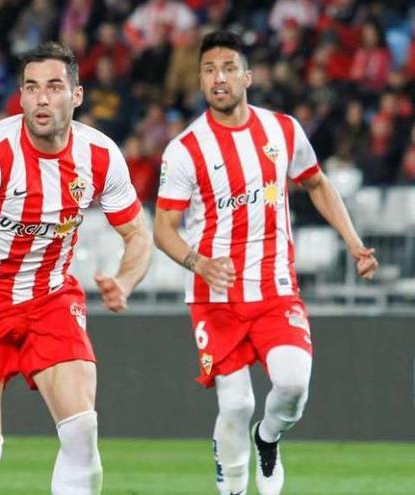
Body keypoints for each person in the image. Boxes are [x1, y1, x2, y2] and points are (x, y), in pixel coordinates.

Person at [153, 31, 379, 495]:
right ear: (200, 81)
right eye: (209, 71)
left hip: (275, 288)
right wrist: (198, 262)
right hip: (215, 297)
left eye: (228, 68)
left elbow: (316, 183)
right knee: (235, 403)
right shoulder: (185, 149)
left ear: (248, 77)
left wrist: (354, 242)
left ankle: (268, 437)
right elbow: (163, 228)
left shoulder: (283, 130)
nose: (219, 78)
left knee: (293, 387)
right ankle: (234, 488)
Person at [0, 42, 152, 495]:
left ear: (76, 95)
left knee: (81, 429)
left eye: (54, 87)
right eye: (31, 88)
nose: (41, 99)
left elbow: (138, 234)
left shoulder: (100, 155)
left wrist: (125, 280)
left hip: (49, 298)